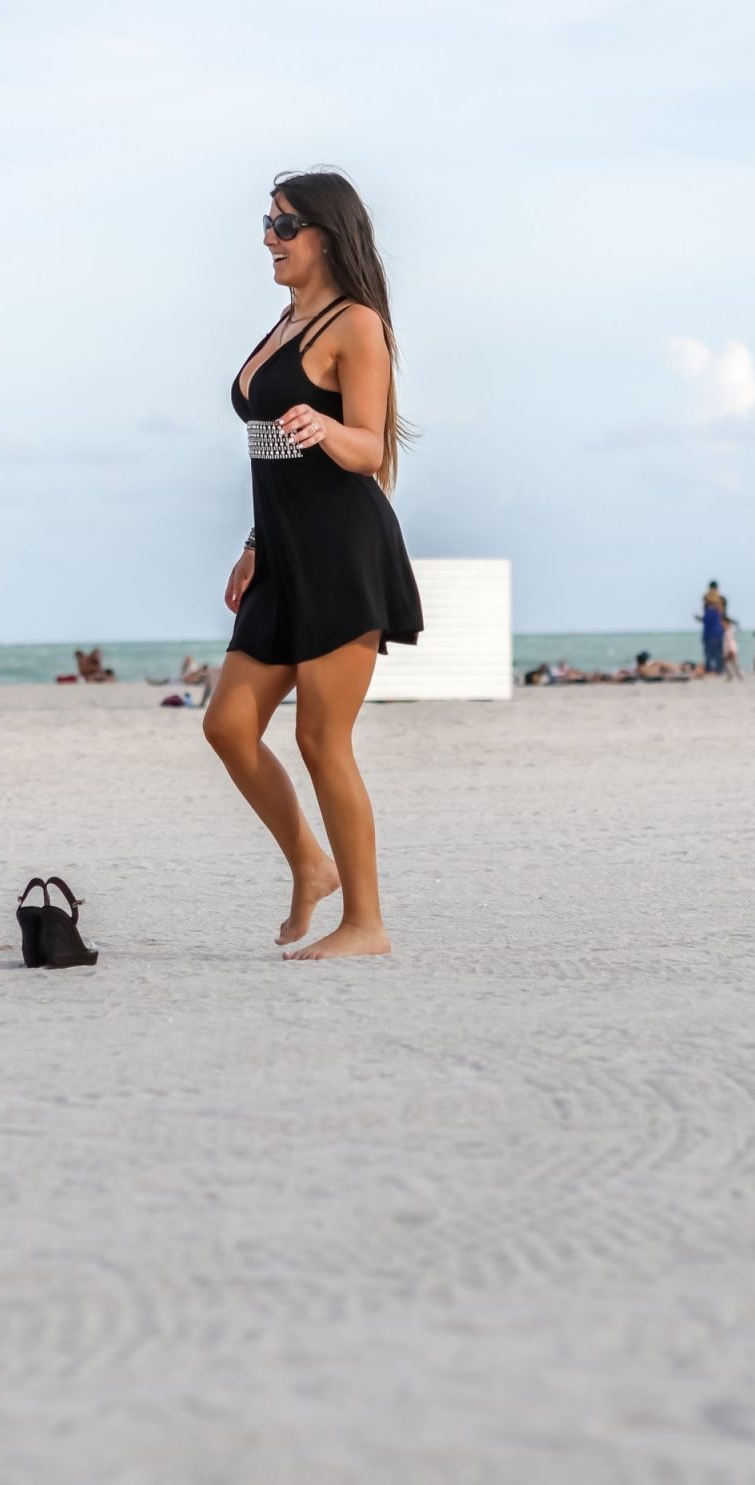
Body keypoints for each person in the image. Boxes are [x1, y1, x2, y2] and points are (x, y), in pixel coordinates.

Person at [203, 169, 424, 961]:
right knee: (228, 727)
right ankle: (310, 863)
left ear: (328, 236)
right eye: (268, 222)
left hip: (340, 550)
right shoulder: (284, 321)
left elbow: (368, 448)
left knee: (322, 739)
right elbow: (271, 452)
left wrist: (327, 430)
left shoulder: (357, 324)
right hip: (281, 550)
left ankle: (366, 924)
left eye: (286, 225)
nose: (270, 237)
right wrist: (255, 541)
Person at [696, 581, 725, 674]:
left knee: (710, 654)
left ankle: (713, 670)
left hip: (711, 633)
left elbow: (708, 619)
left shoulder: (711, 603)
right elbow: (721, 616)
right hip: (716, 632)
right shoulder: (719, 601)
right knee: (717, 654)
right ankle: (718, 670)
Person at [722, 611, 743, 682]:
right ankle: (733, 675)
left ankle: (737, 676)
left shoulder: (729, 631)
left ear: (726, 623)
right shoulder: (728, 631)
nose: (722, 625)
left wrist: (730, 650)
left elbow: (730, 642)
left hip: (730, 649)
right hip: (729, 649)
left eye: (723, 623)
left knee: (733, 663)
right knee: (729, 663)